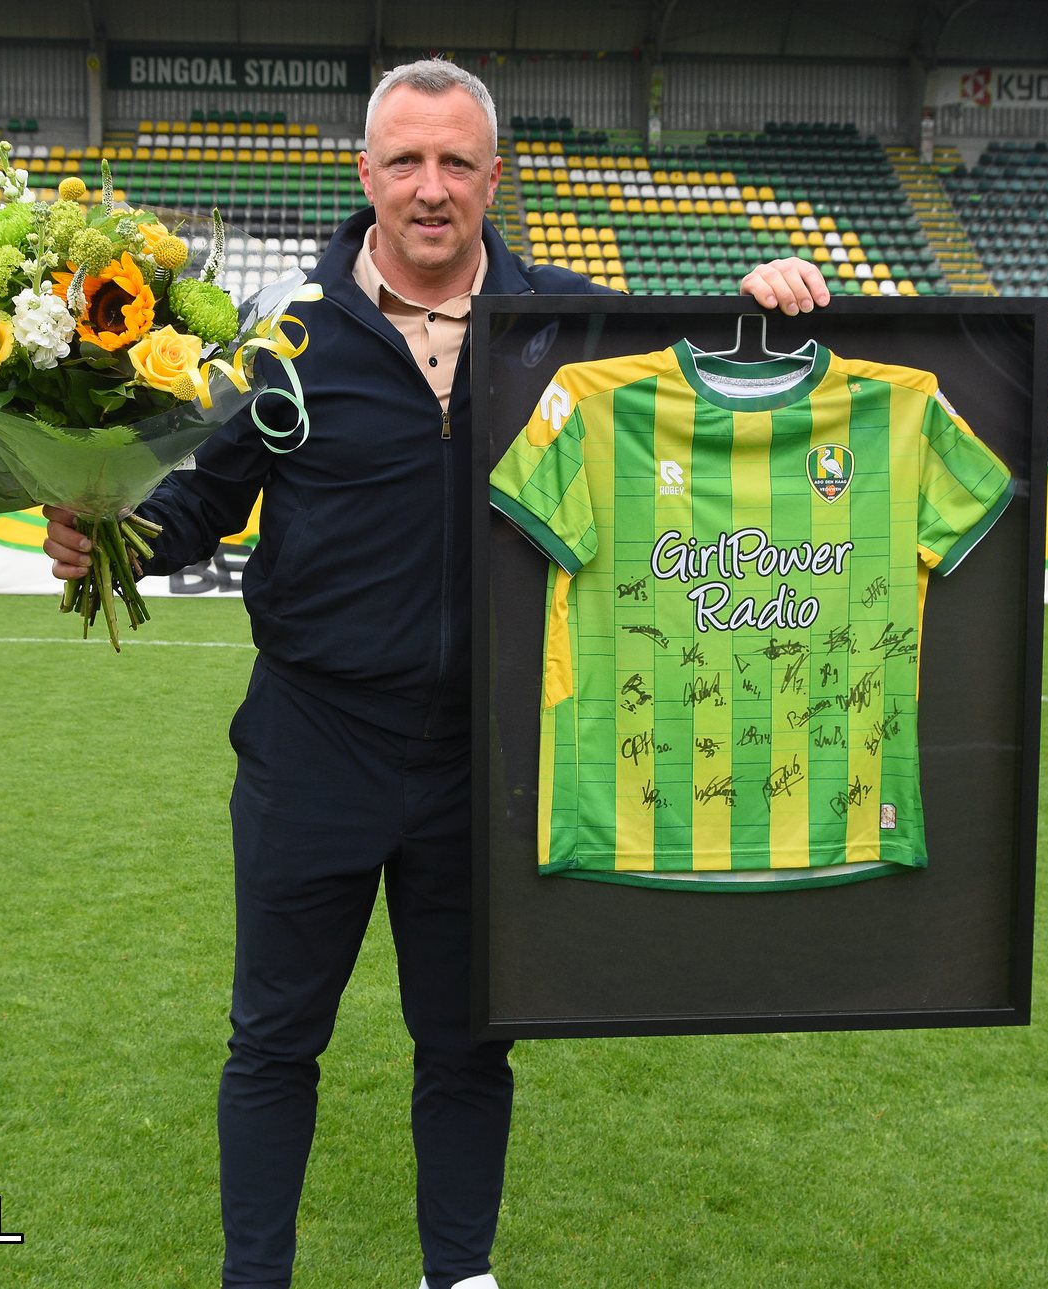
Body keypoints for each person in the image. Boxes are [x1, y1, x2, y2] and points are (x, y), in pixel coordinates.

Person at [44, 60, 829, 1289]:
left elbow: (709, 400)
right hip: (313, 744)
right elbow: (203, 500)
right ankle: (258, 1274)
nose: (430, 187)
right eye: (405, 160)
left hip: (491, 756)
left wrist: (763, 303)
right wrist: (109, 534)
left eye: (456, 163)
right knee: (273, 1039)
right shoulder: (281, 334)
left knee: (468, 1042)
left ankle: (457, 1272)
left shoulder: (571, 323)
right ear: (364, 175)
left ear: (493, 179)